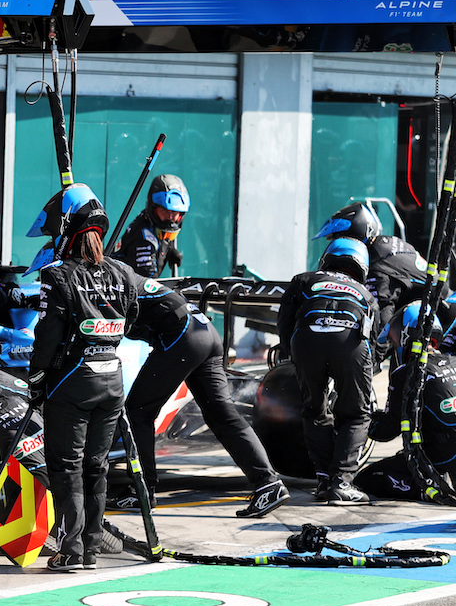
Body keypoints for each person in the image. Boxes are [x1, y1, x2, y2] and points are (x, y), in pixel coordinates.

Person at [27, 183, 140, 572]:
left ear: (66, 231)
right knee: (98, 466)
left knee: (67, 466)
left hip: (72, 383)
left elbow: (46, 337)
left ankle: (71, 548)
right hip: (112, 381)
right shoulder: (124, 272)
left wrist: (36, 380)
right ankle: (90, 547)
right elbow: (132, 320)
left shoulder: (57, 276)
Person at [118, 277, 289, 518]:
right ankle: (268, 484)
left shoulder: (104, 279)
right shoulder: (121, 274)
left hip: (183, 335)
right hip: (204, 332)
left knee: (137, 410)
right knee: (221, 414)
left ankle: (142, 490)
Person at [276, 237, 379, 505]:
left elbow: (284, 323)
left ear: (327, 258)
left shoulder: (303, 279)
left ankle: (323, 480)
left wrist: (295, 355)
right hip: (350, 345)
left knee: (314, 409)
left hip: (307, 339)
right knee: (356, 414)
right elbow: (375, 345)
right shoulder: (366, 294)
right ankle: (342, 483)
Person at [361, 302, 456, 499]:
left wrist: (360, 419)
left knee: (366, 478)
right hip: (447, 450)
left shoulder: (406, 373)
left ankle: (430, 487)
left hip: (441, 458)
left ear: (406, 335)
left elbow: (387, 430)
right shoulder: (453, 360)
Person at [314, 202, 427, 367]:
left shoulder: (376, 260)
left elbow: (382, 316)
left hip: (433, 322)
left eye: (338, 239)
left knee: (400, 374)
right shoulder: (384, 245)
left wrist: (368, 362)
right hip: (432, 315)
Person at [114, 174, 190, 278]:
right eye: (164, 210)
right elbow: (146, 285)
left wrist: (169, 249)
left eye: (175, 212)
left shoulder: (155, 224)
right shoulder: (142, 237)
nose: (170, 217)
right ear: (153, 208)